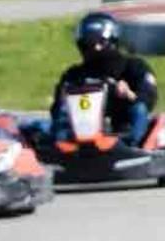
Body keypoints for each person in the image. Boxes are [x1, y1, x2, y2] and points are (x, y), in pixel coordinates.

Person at [36, 12, 158, 145]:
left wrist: (129, 94)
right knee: (38, 125)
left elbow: (148, 96)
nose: (94, 49)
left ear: (111, 41)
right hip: (80, 130)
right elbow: (57, 108)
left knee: (139, 108)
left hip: (119, 128)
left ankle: (133, 145)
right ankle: (58, 145)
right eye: (87, 44)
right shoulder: (74, 74)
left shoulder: (133, 67)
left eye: (98, 43)